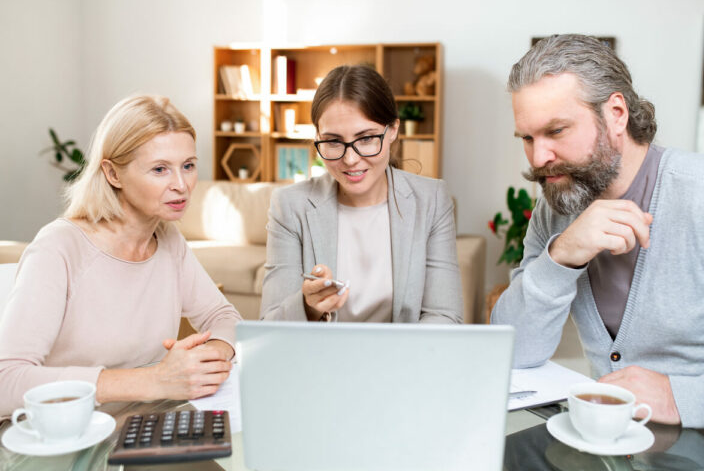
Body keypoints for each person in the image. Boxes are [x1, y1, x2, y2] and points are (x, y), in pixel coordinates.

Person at [491, 34, 704, 429]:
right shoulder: (554, 207)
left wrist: (681, 396)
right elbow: (514, 350)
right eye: (528, 138)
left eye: (556, 131)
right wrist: (561, 254)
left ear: (616, 113)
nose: (539, 157)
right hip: (608, 445)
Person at [0, 95, 241, 416]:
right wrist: (153, 381)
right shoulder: (59, 246)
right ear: (113, 174)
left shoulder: (168, 240)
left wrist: (207, 358)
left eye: (188, 166)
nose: (182, 185)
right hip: (65, 437)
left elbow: (223, 318)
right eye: (160, 169)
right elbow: (7, 381)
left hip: (140, 429)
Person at [261, 65, 463, 323]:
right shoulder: (290, 206)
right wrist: (309, 307)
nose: (351, 159)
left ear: (392, 131)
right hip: (322, 361)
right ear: (318, 137)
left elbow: (444, 316)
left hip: (403, 360)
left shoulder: (431, 200)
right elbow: (269, 325)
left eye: (366, 138)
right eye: (333, 141)